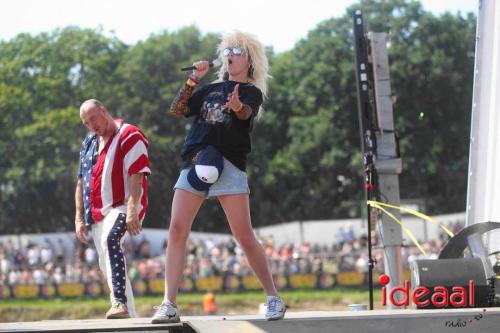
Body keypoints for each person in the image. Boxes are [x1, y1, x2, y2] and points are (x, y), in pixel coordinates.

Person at [151, 31, 285, 323]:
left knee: (244, 236)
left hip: (230, 163)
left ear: (248, 59)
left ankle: (273, 297)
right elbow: (177, 109)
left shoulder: (251, 91)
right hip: (196, 161)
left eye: (237, 50)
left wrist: (237, 106)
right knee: (176, 230)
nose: (230, 54)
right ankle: (168, 303)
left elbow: (245, 113)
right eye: (228, 50)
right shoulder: (210, 88)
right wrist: (192, 80)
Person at [75, 99, 151, 319]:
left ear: (104, 111)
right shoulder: (89, 142)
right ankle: (130, 316)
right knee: (106, 264)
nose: (91, 125)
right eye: (86, 123)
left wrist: (132, 209)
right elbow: (81, 181)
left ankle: (119, 302)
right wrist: (79, 218)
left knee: (111, 239)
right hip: (98, 212)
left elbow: (137, 172)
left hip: (123, 204)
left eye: (93, 119)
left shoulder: (129, 134)